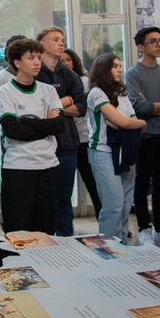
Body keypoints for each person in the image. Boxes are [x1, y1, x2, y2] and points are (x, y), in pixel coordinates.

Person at [0, 38, 65, 235]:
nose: (36, 62)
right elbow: (13, 130)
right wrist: (45, 123)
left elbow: (59, 125)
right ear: (17, 63)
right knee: (18, 230)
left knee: (45, 229)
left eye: (38, 58)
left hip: (48, 166)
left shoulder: (48, 90)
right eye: (31, 58)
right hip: (19, 167)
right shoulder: (5, 92)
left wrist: (26, 121)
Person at [126, 27, 160, 246]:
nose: (158, 45)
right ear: (141, 46)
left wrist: (155, 107)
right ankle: (144, 227)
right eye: (153, 41)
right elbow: (139, 107)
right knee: (142, 183)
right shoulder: (133, 74)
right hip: (145, 136)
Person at [86, 53, 146, 244]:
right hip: (103, 152)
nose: (120, 69)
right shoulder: (97, 93)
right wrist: (134, 123)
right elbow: (123, 122)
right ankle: (108, 247)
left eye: (120, 65)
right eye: (115, 66)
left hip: (125, 150)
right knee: (114, 204)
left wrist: (135, 123)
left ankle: (122, 245)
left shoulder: (122, 93)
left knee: (126, 203)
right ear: (104, 69)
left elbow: (131, 121)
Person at [36, 27, 86, 236]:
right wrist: (66, 101)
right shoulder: (34, 72)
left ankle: (66, 240)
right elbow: (37, 109)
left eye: (62, 39)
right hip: (40, 145)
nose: (61, 43)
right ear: (42, 44)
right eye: (55, 39)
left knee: (64, 199)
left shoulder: (70, 75)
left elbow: (81, 107)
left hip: (67, 144)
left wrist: (56, 106)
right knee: (43, 199)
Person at [62, 48, 102, 219]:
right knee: (64, 188)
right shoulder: (54, 82)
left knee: (93, 182)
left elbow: (81, 109)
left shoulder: (84, 81)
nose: (65, 64)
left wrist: (58, 107)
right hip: (63, 140)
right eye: (62, 61)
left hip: (83, 138)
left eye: (68, 60)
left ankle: (104, 220)